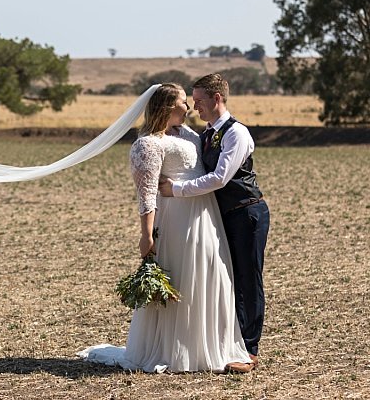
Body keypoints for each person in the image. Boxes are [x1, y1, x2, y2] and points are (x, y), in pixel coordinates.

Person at [78, 83, 254, 373]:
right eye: (184, 102)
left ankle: (208, 346)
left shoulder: (188, 134)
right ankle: (177, 349)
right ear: (168, 107)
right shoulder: (147, 144)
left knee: (210, 276)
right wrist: (146, 235)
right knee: (183, 278)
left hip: (205, 215)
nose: (190, 108)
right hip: (176, 219)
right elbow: (147, 194)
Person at [159, 73, 270, 368]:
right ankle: (227, 345)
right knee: (226, 280)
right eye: (192, 102)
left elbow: (219, 178)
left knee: (248, 278)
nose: (195, 107)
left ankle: (249, 351)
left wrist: (176, 190)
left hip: (246, 213)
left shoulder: (237, 134)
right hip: (222, 217)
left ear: (216, 99)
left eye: (199, 101)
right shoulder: (206, 134)